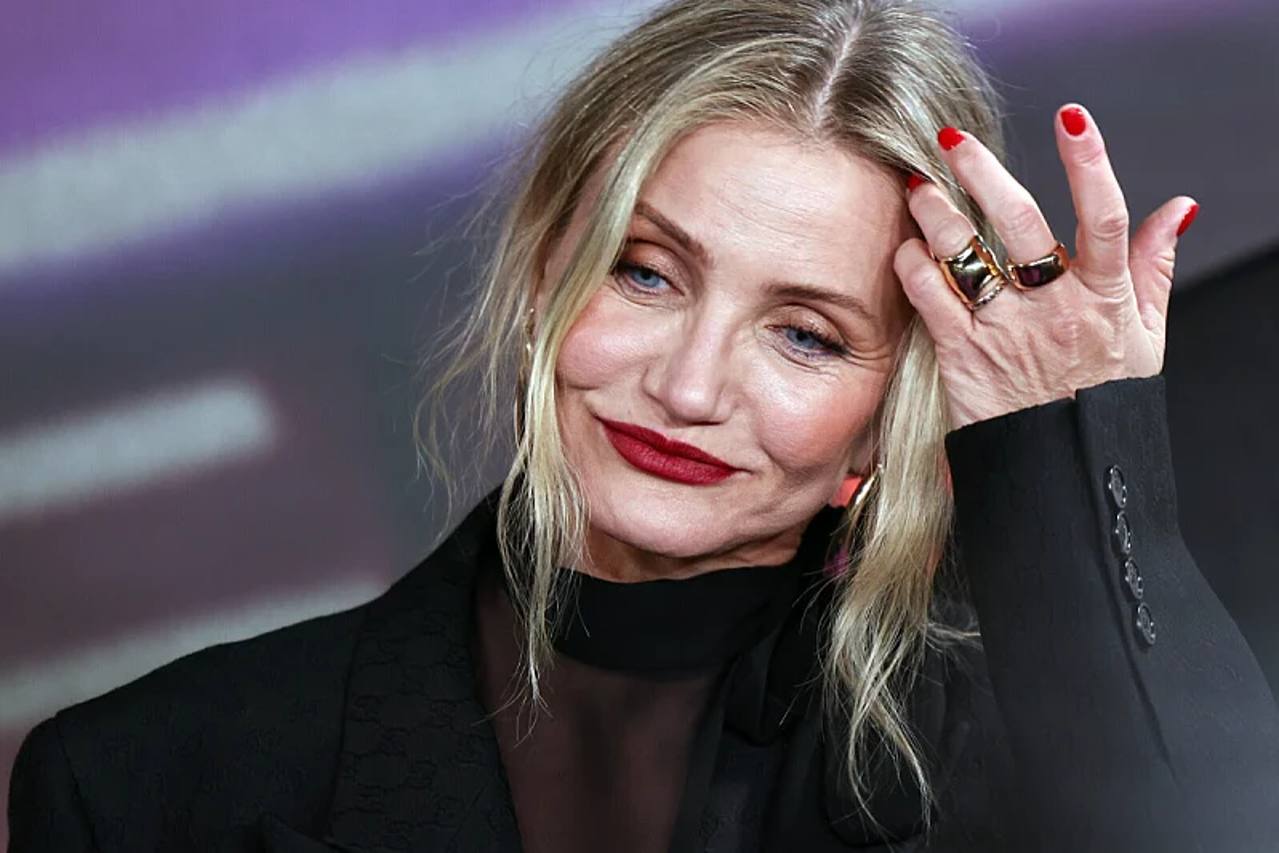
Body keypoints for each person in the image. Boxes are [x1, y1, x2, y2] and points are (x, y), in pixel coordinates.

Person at [8, 0, 1279, 850]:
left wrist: (1069, 437)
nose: (688, 386)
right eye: (647, 273)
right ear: (541, 277)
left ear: (882, 421)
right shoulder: (140, 784)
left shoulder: (1007, 761)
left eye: (806, 334)